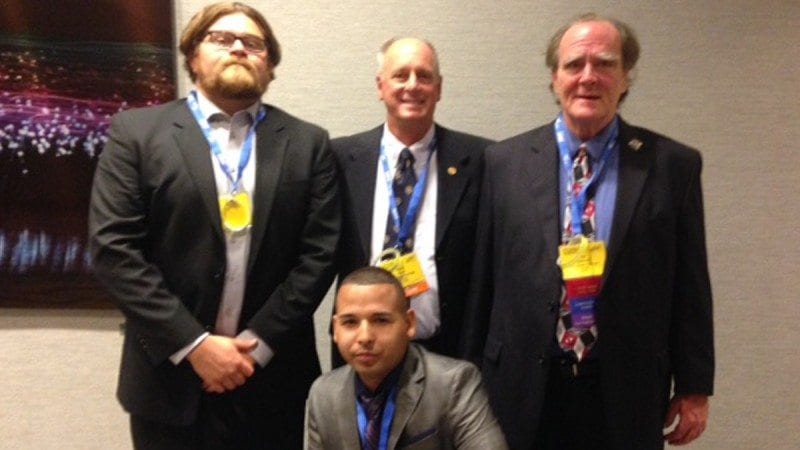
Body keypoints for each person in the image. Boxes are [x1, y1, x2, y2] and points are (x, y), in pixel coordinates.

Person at [88, 2, 339, 448]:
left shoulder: (308, 142)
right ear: (192, 57)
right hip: (169, 379)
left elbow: (318, 255)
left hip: (272, 379)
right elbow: (115, 250)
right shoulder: (137, 134)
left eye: (254, 43)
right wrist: (195, 345)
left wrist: (256, 346)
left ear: (271, 66)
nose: (239, 48)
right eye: (222, 39)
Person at [461, 13, 714, 450]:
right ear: (554, 78)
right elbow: (482, 279)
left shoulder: (672, 165)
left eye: (605, 64)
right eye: (574, 64)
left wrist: (694, 386)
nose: (588, 77)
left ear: (626, 77)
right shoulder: (504, 163)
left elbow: (690, 284)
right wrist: (463, 380)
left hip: (626, 384)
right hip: (521, 382)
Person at [332, 37, 493, 365]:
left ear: (439, 88)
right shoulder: (340, 159)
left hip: (450, 352)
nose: (412, 85)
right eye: (400, 75)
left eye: (424, 76)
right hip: (363, 352)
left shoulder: (481, 160)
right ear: (380, 86)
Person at [306, 266, 507, 450]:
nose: (365, 337)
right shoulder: (323, 394)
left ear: (409, 324)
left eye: (381, 320)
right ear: (336, 329)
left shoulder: (454, 384)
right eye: (350, 322)